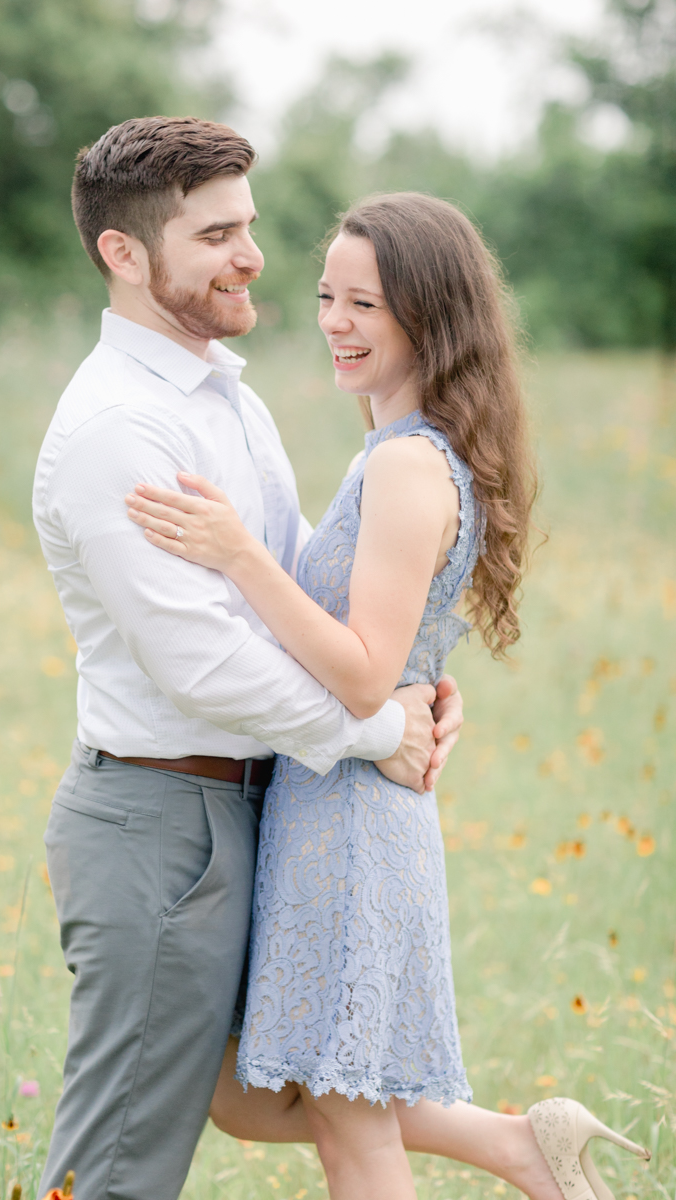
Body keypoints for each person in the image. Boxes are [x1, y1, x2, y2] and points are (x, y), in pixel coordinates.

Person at [125, 193, 651, 1200]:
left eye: (363, 302)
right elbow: (393, 655)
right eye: (326, 295)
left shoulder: (409, 465)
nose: (334, 320)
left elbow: (364, 670)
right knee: (244, 1090)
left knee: (347, 1127)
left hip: (352, 823)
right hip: (327, 802)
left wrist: (240, 556)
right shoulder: (390, 454)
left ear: (430, 317)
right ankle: (519, 1148)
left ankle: (522, 1150)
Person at [32, 118, 465, 1200]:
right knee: (122, 1165)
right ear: (124, 255)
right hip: (161, 822)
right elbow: (204, 663)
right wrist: (377, 729)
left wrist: (406, 675)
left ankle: (516, 1146)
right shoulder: (117, 430)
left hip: (259, 808)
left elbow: (295, 580)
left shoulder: (227, 396)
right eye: (215, 233)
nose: (251, 256)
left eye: (248, 227)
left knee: (289, 1093)